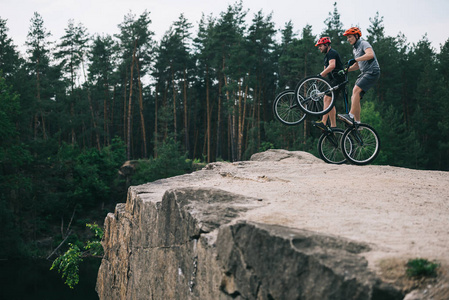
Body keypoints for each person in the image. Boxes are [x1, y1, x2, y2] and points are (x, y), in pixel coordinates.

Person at [338, 27, 380, 125]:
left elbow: (370, 55)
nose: (348, 39)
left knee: (356, 90)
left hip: (372, 71)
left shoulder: (364, 44)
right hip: (364, 73)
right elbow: (357, 65)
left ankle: (350, 115)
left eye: (350, 37)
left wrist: (356, 59)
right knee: (354, 97)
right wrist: (346, 70)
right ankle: (357, 122)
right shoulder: (355, 49)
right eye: (347, 38)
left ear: (356, 36)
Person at [313, 37, 345, 131]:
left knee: (327, 98)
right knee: (330, 102)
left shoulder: (332, 53)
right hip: (333, 80)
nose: (319, 48)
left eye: (320, 46)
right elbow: (325, 71)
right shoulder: (326, 56)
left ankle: (323, 122)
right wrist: (319, 78)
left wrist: (320, 75)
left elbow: (332, 66)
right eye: (318, 46)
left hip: (338, 79)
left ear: (326, 45)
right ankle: (333, 127)